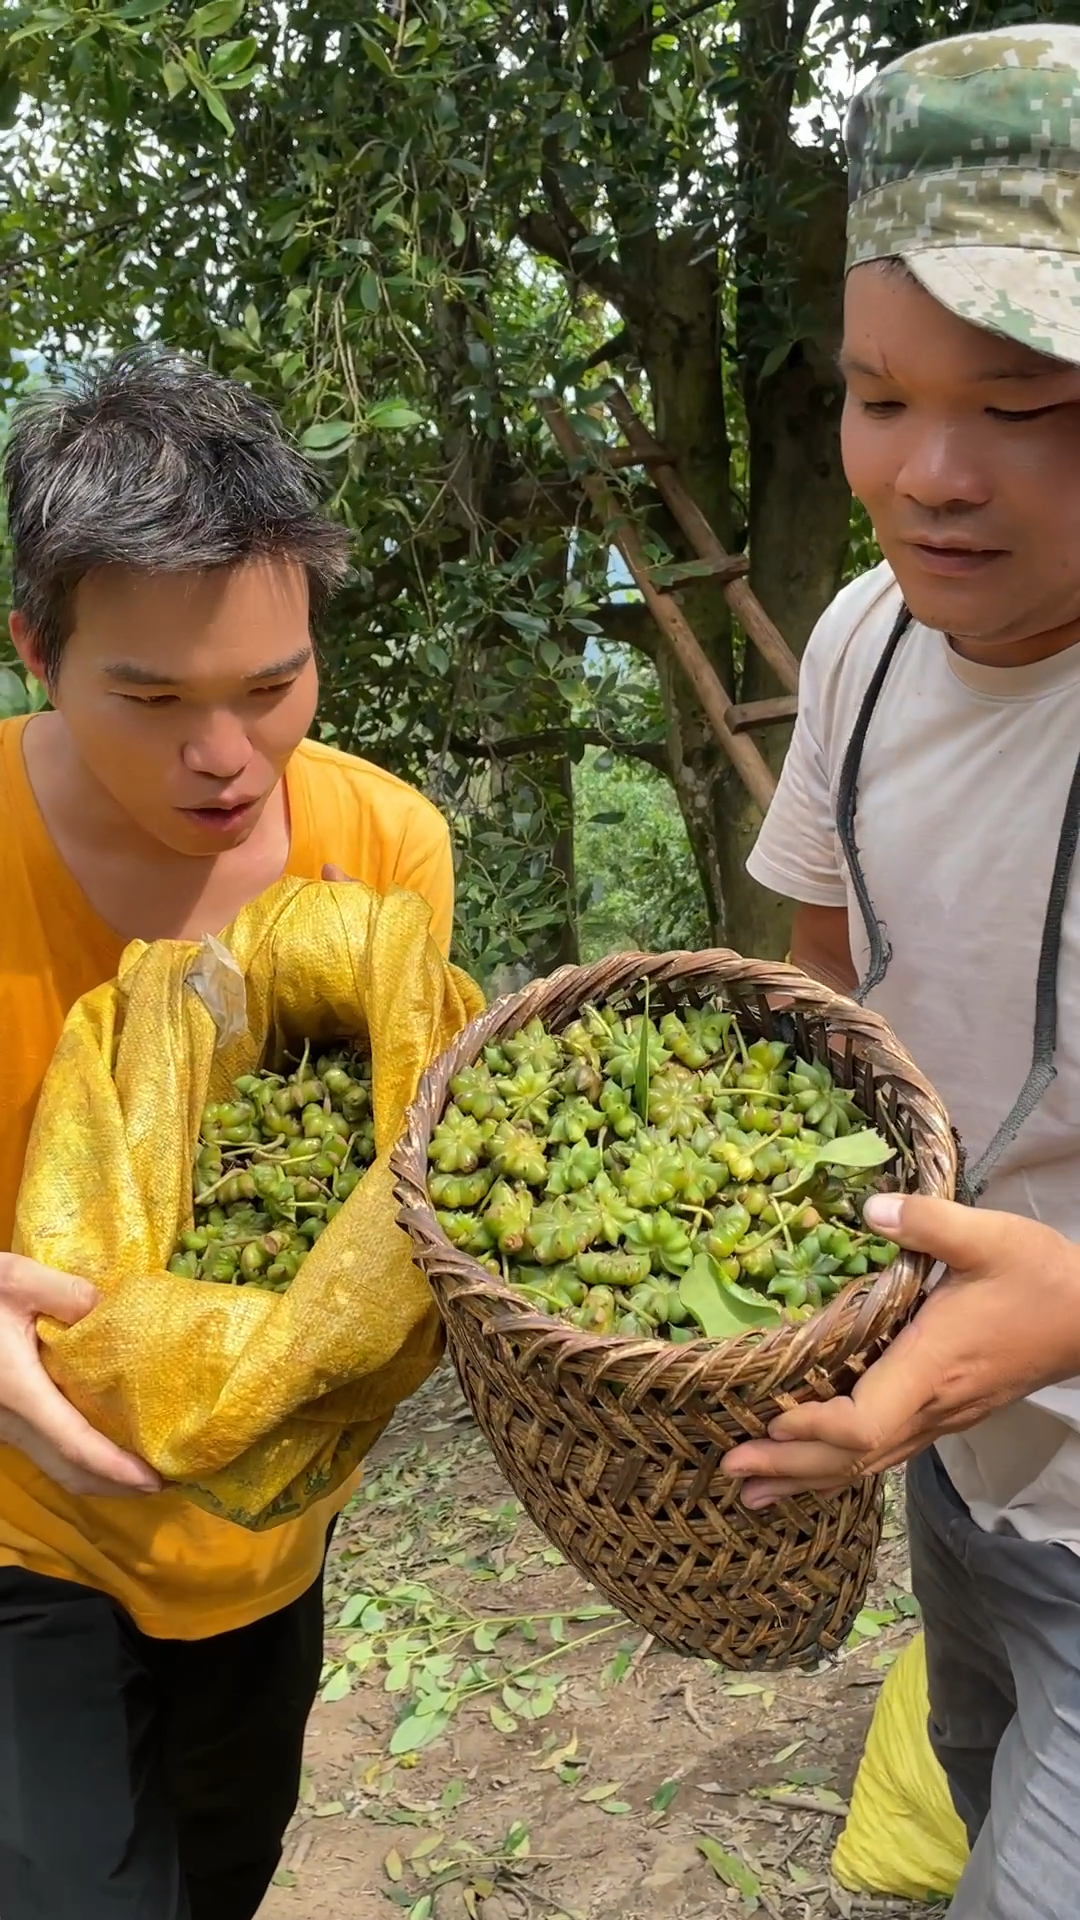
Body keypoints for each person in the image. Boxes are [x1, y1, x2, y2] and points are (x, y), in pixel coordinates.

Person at [0, 347, 454, 1919]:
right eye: (154, 698)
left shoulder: (381, 844)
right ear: (34, 656)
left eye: (274, 689)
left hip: (265, 1535)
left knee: (225, 1870)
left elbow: (385, 1179)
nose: (227, 758)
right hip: (25, 1531)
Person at [719, 26, 1080, 1918]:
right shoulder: (867, 639)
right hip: (952, 1463)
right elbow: (827, 1004)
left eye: (1027, 406)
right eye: (878, 398)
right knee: (966, 1764)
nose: (930, 477)